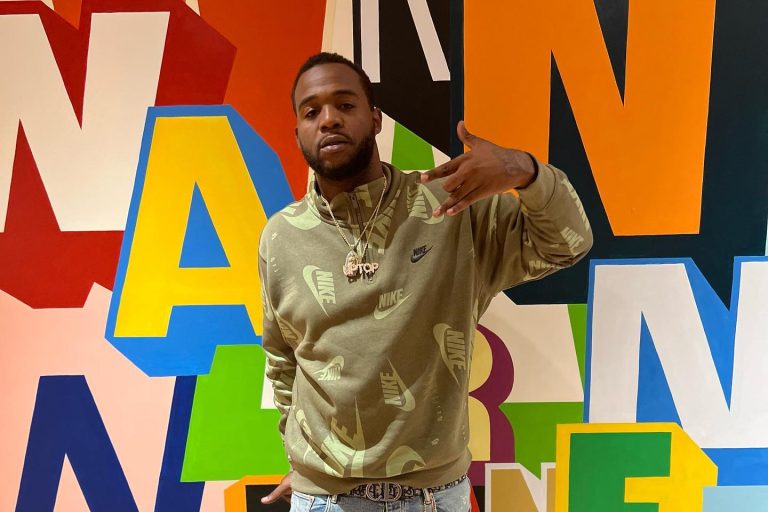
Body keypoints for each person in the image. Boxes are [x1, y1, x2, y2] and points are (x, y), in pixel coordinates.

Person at [258, 52, 592, 511]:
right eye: (311, 111)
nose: (329, 118)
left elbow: (567, 244)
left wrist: (526, 172)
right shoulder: (281, 237)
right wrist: (304, 459)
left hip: (434, 497)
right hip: (324, 500)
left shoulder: (454, 208)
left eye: (346, 104)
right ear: (297, 133)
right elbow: (283, 359)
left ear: (376, 119)